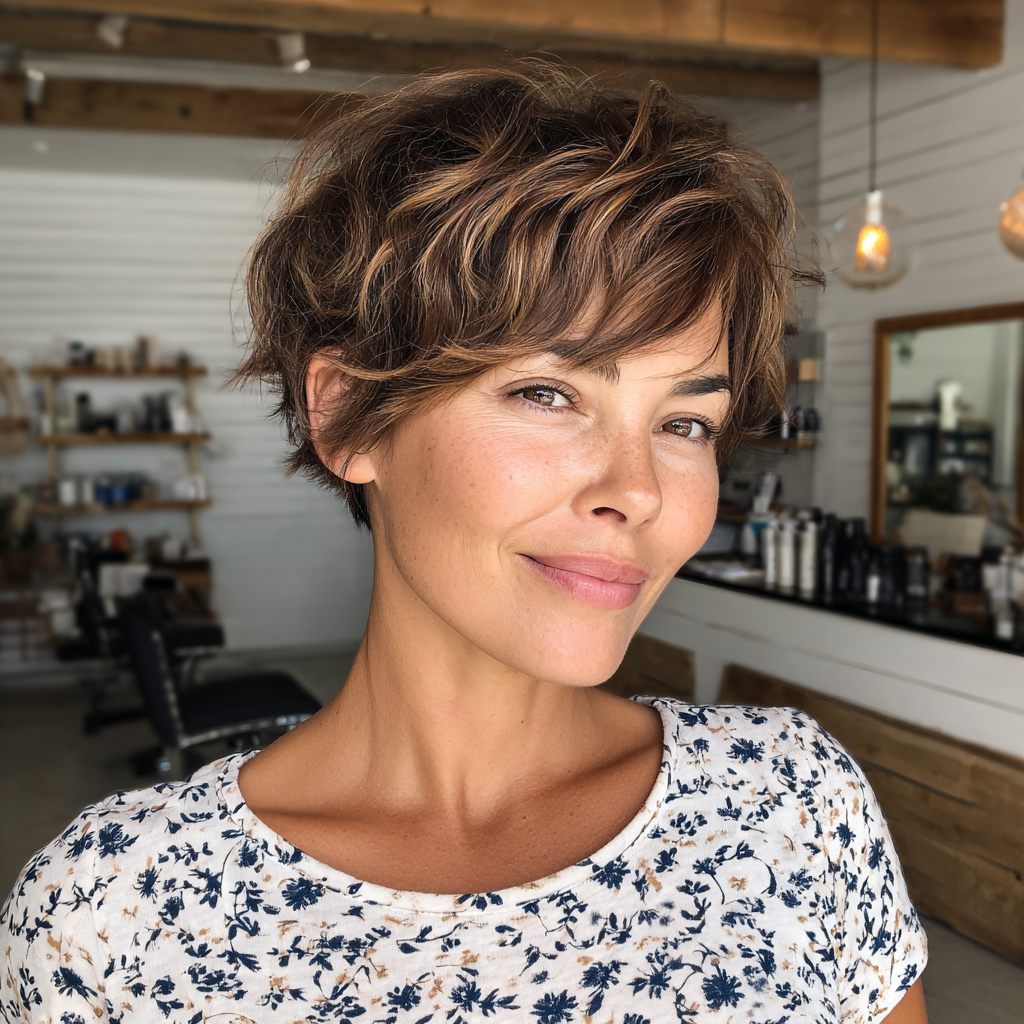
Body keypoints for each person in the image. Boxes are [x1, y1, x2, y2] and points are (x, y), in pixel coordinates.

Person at [1, 66, 928, 1023]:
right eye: (548, 394)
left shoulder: (791, 804)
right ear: (347, 415)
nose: (639, 491)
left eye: (685, 423)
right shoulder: (112, 920)